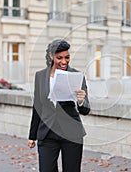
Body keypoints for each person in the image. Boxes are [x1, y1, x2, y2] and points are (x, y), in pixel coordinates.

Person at [28, 39, 90, 172]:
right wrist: (32, 135)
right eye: (59, 58)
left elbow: (85, 109)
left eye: (67, 57)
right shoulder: (40, 76)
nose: (64, 61)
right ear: (51, 56)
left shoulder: (76, 76)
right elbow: (37, 106)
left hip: (71, 133)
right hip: (47, 133)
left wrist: (80, 100)